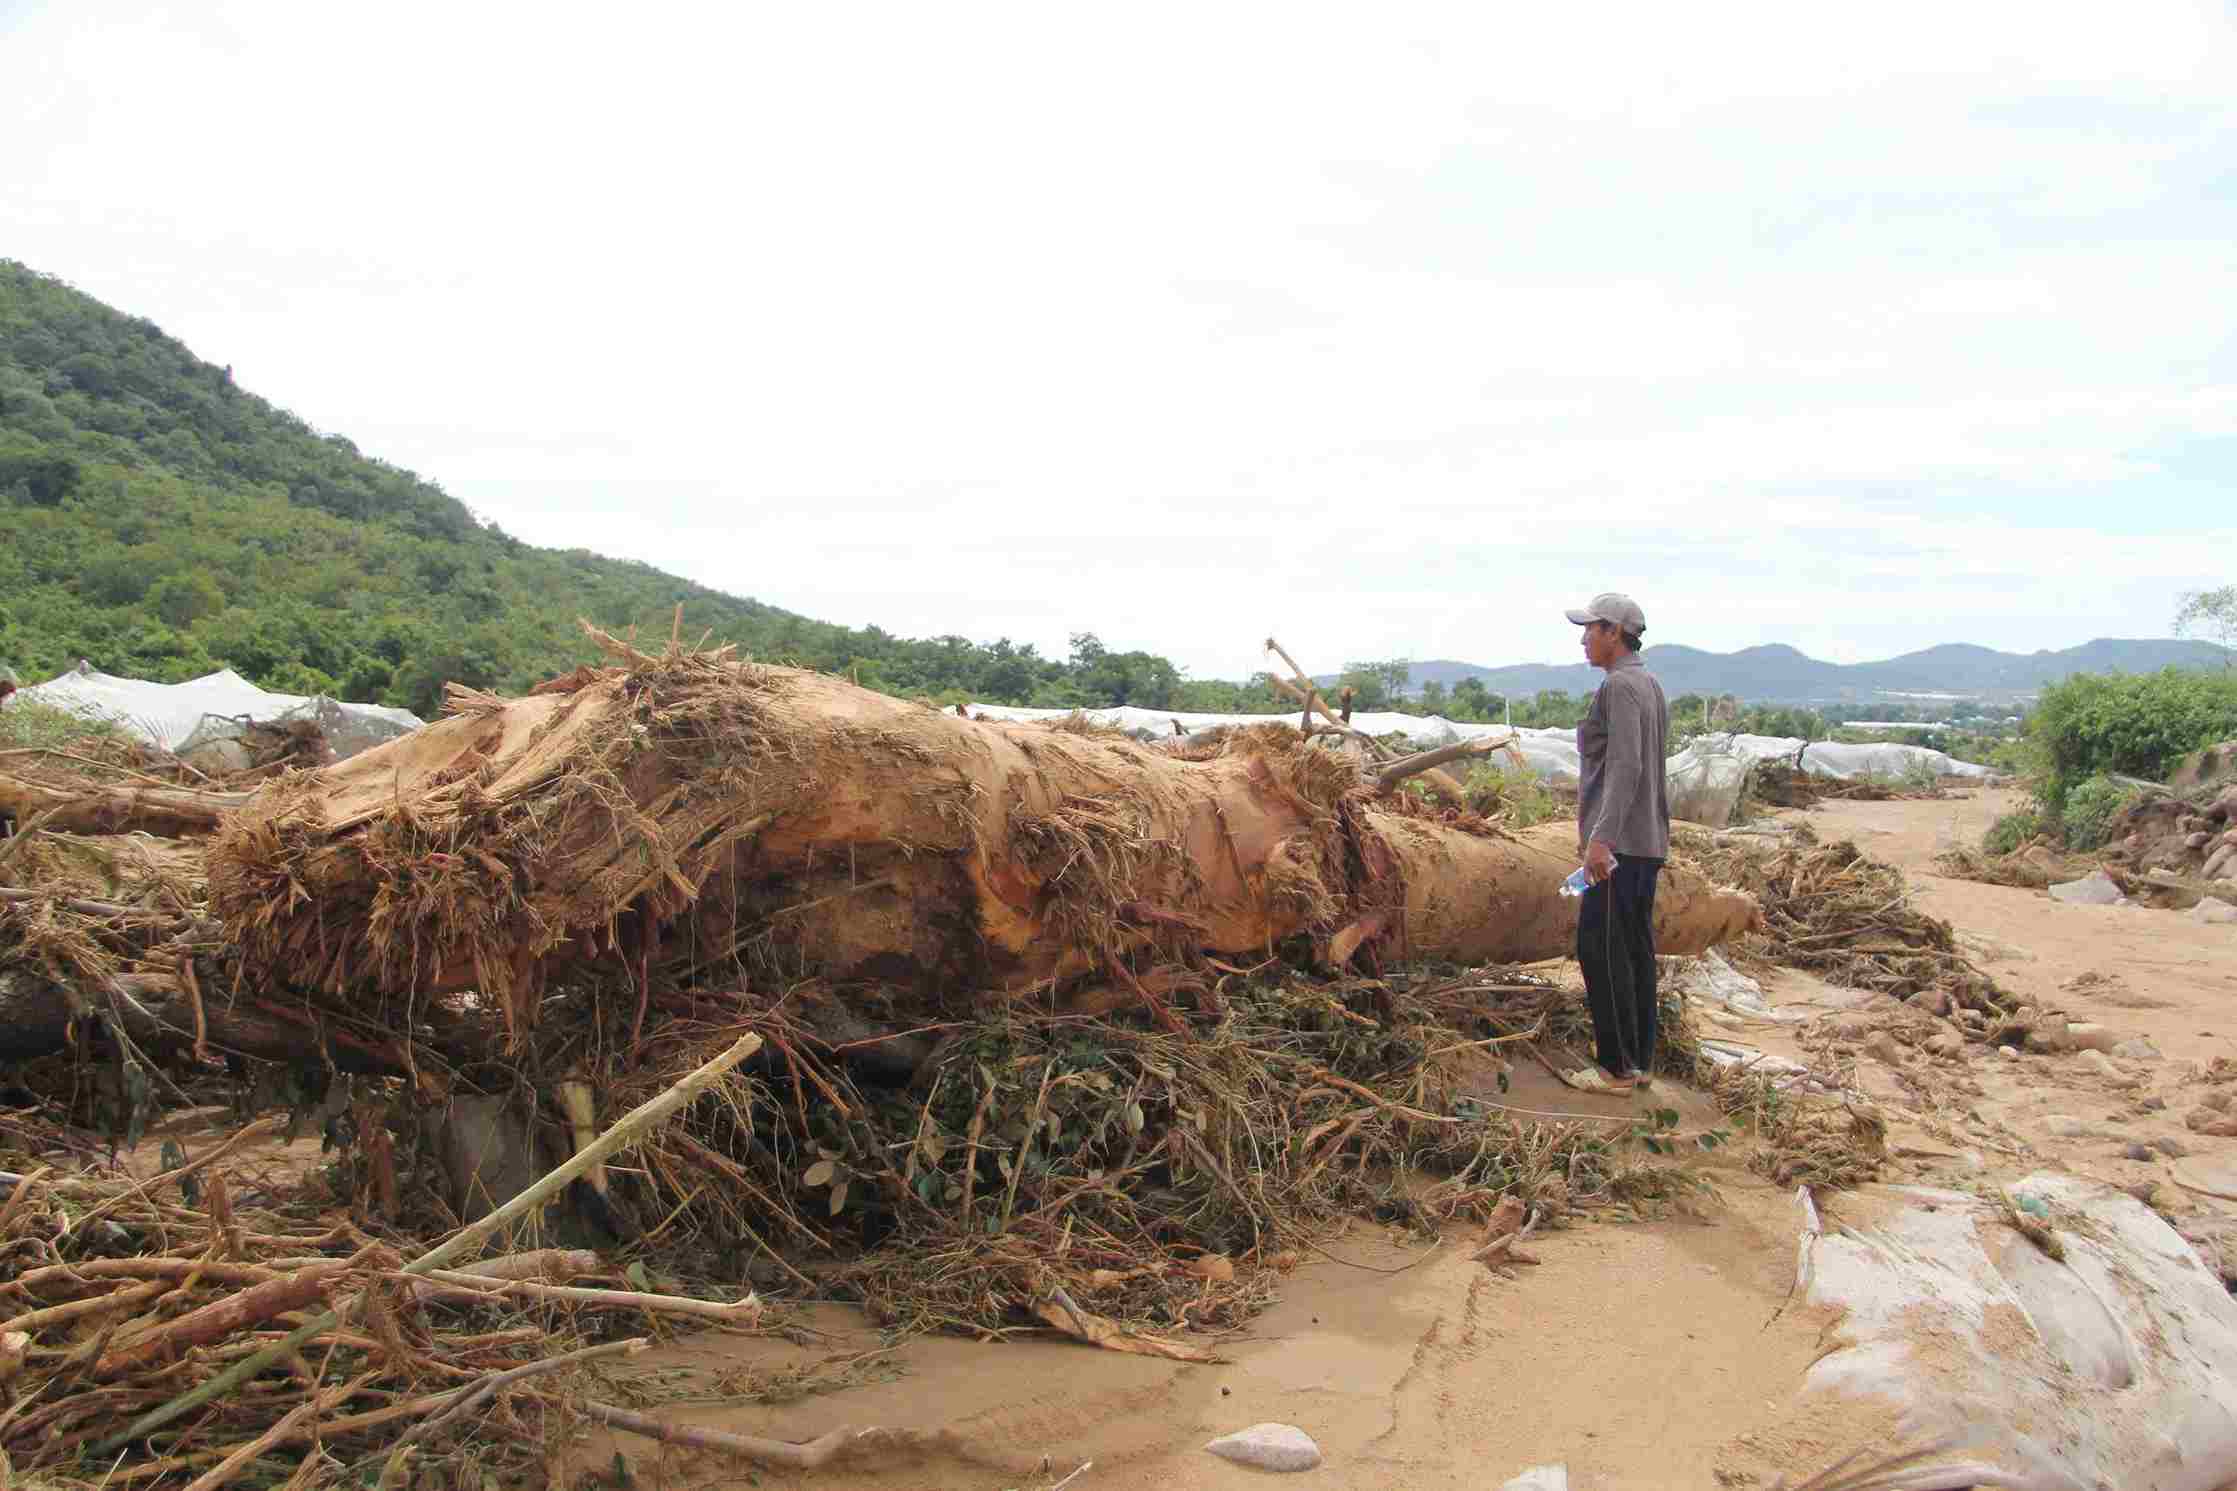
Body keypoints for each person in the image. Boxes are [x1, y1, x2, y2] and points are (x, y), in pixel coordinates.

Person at [1565, 593, 1669, 1092]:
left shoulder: (1622, 687)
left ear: (1612, 633)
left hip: (1620, 847)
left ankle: (1615, 1068)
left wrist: (1600, 840)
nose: (1583, 638)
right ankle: (1639, 1062)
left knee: (1599, 947)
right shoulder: (1648, 684)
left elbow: (1626, 767)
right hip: (1644, 844)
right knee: (1632, 950)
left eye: (1590, 629)